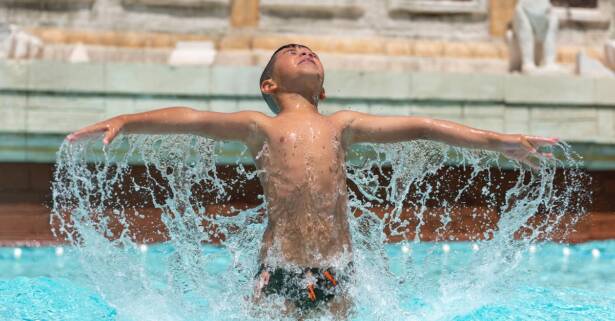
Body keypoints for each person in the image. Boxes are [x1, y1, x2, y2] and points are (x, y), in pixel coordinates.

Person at [66, 43, 557, 319]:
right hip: (274, 274)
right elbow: (191, 117)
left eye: (310, 52)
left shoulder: (341, 125)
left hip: (334, 274)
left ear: (322, 87)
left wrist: (500, 141)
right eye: (291, 51)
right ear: (269, 85)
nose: (304, 51)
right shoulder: (259, 126)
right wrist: (129, 120)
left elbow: (424, 126)